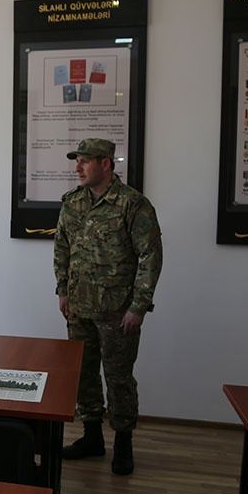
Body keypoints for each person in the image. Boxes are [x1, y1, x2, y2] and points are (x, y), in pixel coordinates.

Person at [53, 138, 162, 475]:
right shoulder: (73, 203)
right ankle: (92, 438)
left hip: (118, 312)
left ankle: (124, 444)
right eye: (77, 161)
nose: (78, 168)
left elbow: (150, 256)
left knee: (118, 379)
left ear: (105, 164)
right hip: (79, 308)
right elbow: (62, 247)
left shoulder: (132, 204)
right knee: (83, 376)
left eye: (84, 161)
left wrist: (139, 306)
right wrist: (63, 291)